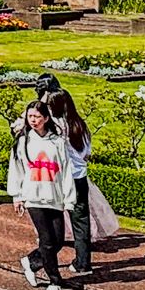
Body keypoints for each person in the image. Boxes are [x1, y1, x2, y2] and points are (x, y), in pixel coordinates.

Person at [44, 89, 117, 275]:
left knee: (54, 218)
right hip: (80, 177)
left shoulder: (56, 127)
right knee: (81, 221)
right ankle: (83, 262)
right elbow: (87, 153)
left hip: (63, 179)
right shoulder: (80, 124)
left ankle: (43, 257)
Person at [8, 101, 71, 290]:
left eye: (37, 116)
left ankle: (32, 261)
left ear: (46, 118)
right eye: (30, 117)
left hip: (54, 196)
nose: (33, 120)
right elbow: (16, 169)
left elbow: (66, 170)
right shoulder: (23, 142)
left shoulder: (57, 142)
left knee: (58, 240)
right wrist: (17, 196)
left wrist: (69, 198)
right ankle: (55, 280)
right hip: (33, 197)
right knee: (47, 240)